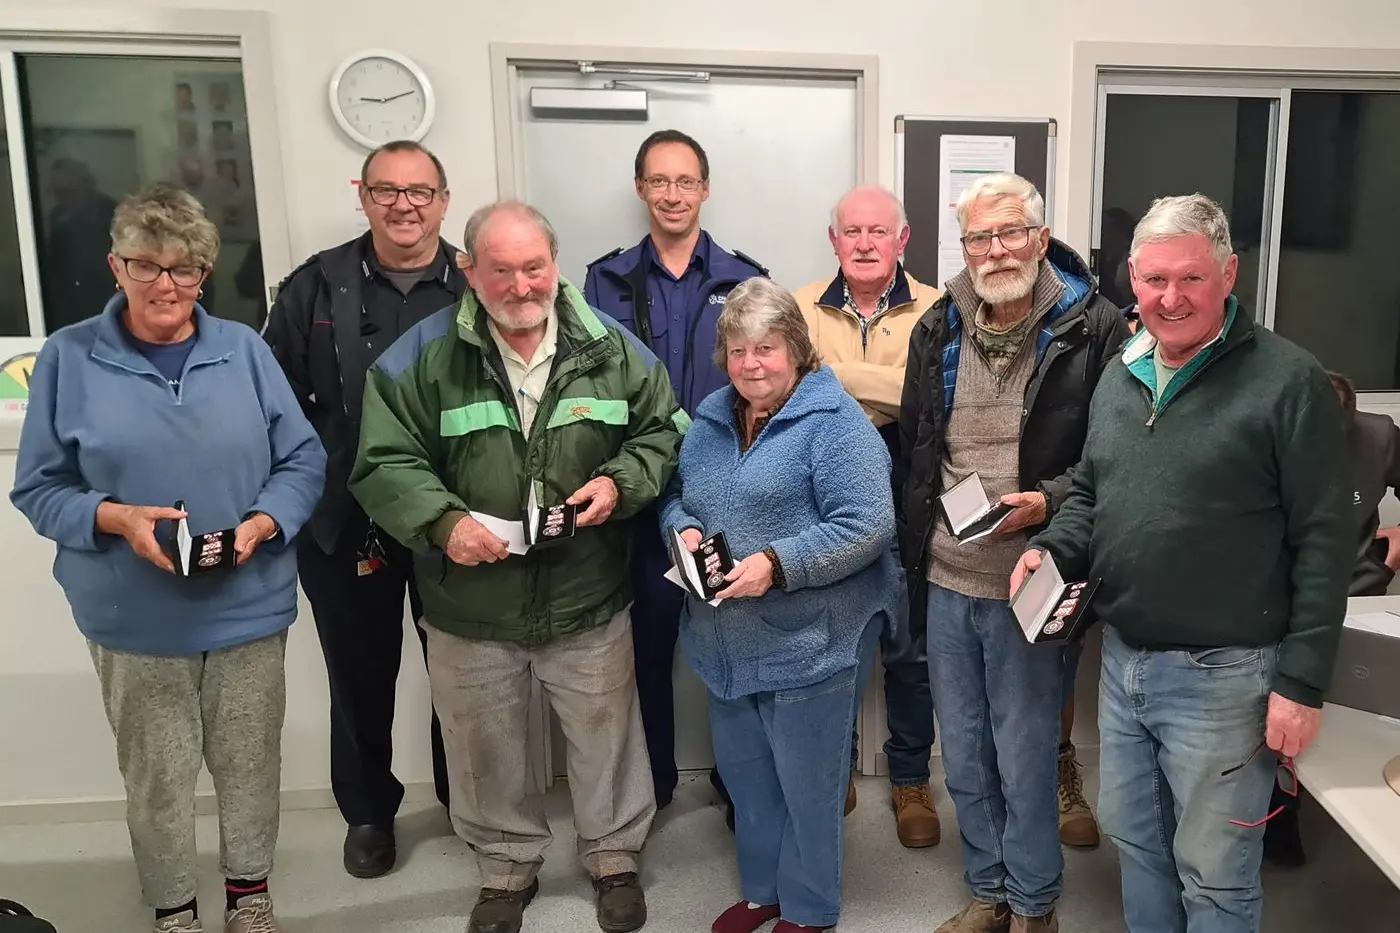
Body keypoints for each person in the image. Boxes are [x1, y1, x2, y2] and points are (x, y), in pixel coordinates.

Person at [1016, 193, 1352, 933]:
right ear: (1132, 278)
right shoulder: (1123, 369)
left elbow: (1326, 541)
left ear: (1229, 275)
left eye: (1192, 279)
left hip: (1226, 675)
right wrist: (1051, 547)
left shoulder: (1287, 382)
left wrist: (1301, 683)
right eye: (1155, 279)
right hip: (1123, 658)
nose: (1171, 298)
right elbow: (1093, 489)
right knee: (1137, 844)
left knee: (1216, 871)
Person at [348, 200, 686, 933]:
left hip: (588, 590)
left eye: (534, 267)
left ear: (555, 264)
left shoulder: (613, 347)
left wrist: (620, 482)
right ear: (469, 271)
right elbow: (383, 459)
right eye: (501, 270)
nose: (521, 284)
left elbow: (664, 430)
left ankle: (614, 857)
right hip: (470, 600)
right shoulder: (418, 357)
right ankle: (504, 867)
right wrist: (443, 521)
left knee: (607, 736)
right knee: (483, 744)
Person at [9, 184, 326, 933]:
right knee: (158, 779)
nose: (165, 284)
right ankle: (174, 908)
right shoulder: (69, 356)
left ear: (205, 275)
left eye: (184, 269)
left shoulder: (244, 350)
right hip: (134, 615)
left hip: (248, 604)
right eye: (145, 265)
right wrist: (113, 517)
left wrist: (263, 523)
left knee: (250, 767)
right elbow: (40, 487)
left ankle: (250, 899)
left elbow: (302, 459)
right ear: (115, 267)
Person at [897, 172, 1130, 933]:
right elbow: (919, 446)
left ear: (1038, 236)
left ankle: (1034, 904)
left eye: (1008, 233)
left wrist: (1050, 503)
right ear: (961, 246)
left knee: (1025, 755)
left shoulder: (1095, 328)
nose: (994, 250)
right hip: (947, 574)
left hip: (1033, 578)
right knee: (961, 754)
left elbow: (1113, 457)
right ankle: (988, 889)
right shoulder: (939, 325)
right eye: (977, 238)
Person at [659, 277, 899, 933]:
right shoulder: (710, 418)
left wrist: (778, 563)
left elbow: (868, 524)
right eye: (737, 351)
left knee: (808, 789)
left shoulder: (836, 424)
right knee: (749, 784)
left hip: (808, 642)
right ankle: (763, 891)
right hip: (723, 644)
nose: (750, 364)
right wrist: (678, 527)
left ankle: (810, 906)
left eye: (765, 348)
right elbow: (679, 496)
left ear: (795, 349)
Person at [262, 140, 462, 879]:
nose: (403, 204)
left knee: (464, 671)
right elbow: (273, 404)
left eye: (419, 191)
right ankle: (370, 813)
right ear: (363, 194)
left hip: (455, 520)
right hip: (343, 520)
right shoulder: (314, 288)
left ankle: (467, 804)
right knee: (358, 672)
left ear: (444, 199)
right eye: (387, 190)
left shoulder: (478, 284)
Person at [583, 129, 767, 817]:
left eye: (684, 181)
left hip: (727, 488)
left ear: (704, 189)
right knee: (645, 649)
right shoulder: (604, 281)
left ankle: (738, 782)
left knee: (737, 641)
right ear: (641, 189)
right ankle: (652, 784)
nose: (671, 194)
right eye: (658, 181)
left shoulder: (743, 278)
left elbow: (766, 379)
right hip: (639, 494)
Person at [793, 185, 941, 846]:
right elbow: (794, 383)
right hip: (828, 493)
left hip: (914, 487)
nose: (863, 242)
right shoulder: (799, 305)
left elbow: (928, 397)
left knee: (911, 648)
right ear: (834, 240)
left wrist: (837, 373)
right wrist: (886, 379)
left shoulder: (939, 307)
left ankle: (910, 778)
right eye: (851, 231)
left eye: (877, 231)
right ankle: (839, 768)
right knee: (838, 644)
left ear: (901, 239)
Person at [41, 158, 119, 332]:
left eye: (69, 192)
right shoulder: (58, 216)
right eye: (58, 193)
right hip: (67, 307)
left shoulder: (114, 214)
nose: (63, 199)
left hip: (108, 300)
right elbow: (54, 263)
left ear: (87, 185)